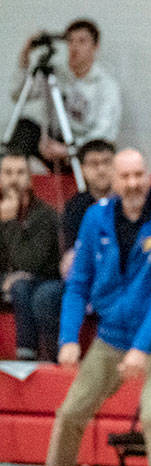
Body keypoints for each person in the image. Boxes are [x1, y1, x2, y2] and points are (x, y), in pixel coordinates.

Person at [12, 148, 151, 466]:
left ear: (148, 175)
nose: (133, 183)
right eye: (125, 176)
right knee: (71, 411)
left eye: (139, 175)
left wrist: (141, 348)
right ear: (113, 180)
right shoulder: (96, 218)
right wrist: (68, 338)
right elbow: (78, 282)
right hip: (114, 334)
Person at [7, 19, 122, 165]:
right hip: (55, 142)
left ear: (95, 47)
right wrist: (24, 59)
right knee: (24, 128)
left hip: (84, 149)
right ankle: (13, 174)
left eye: (82, 41)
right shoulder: (55, 74)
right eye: (70, 41)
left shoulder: (106, 85)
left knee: (100, 149)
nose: (74, 47)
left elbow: (104, 133)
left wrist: (69, 150)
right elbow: (17, 95)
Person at [0, 150, 62, 360]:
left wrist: (9, 223)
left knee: (22, 287)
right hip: (8, 279)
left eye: (20, 173)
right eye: (8, 173)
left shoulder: (44, 215)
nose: (14, 179)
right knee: (18, 284)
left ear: (30, 179)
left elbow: (30, 262)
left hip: (43, 278)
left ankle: (27, 356)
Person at [58, 139, 115, 269]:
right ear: (82, 169)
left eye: (107, 162)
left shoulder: (128, 201)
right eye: (94, 164)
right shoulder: (74, 207)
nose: (101, 170)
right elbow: (71, 252)